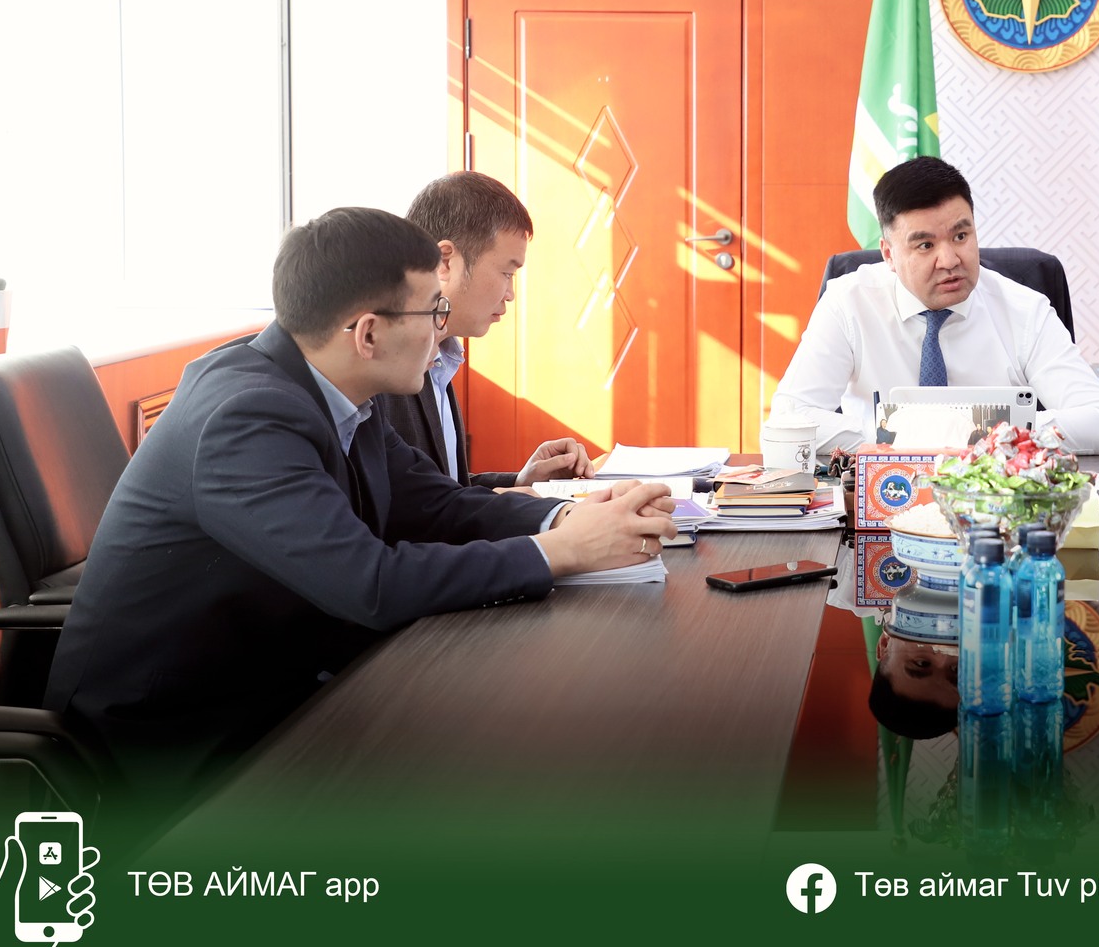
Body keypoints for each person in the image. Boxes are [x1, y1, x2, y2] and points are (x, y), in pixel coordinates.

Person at [45, 208, 677, 798]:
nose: (442, 326)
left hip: (282, 677)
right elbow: (369, 584)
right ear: (369, 333)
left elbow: (436, 504)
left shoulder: (336, 386)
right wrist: (562, 551)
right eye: (433, 310)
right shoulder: (246, 417)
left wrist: (570, 514)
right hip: (178, 733)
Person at [772, 157, 1099, 455]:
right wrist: (902, 431)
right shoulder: (849, 302)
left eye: (960, 236)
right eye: (925, 245)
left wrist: (990, 431)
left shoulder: (1024, 309)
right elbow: (786, 422)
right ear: (889, 254)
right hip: (884, 491)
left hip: (992, 500)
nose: (950, 260)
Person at [377, 171, 592, 488]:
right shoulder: (384, 369)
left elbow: (444, 489)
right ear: (445, 262)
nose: (510, 294)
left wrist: (521, 482)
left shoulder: (442, 356)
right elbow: (408, 508)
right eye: (507, 273)